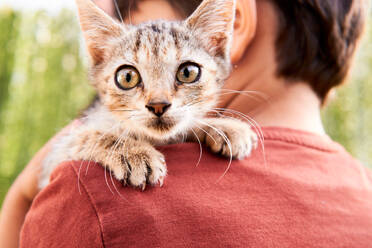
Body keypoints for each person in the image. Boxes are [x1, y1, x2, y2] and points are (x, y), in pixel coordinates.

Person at [1, 0, 371, 247]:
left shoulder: (92, 192)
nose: (157, 102)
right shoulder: (365, 194)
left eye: (186, 71)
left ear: (228, 30)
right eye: (129, 76)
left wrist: (20, 196)